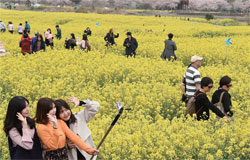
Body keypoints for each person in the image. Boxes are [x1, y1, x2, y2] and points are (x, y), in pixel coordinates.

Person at [55, 96, 100, 160]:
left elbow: (96, 106)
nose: (66, 113)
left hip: (89, 157)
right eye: (61, 112)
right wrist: (67, 146)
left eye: (66, 109)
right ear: (57, 115)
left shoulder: (79, 117)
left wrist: (80, 103)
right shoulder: (56, 128)